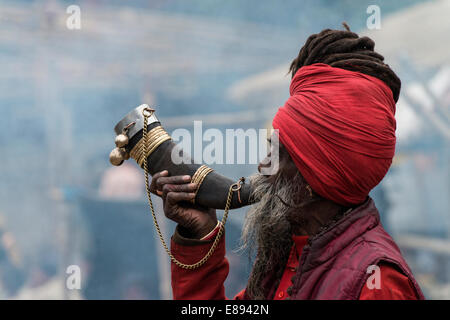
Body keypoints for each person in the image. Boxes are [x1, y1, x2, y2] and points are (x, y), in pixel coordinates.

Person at [150, 24, 424, 300]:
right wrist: (199, 235)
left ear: (316, 175)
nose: (262, 167)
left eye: (277, 153)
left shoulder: (377, 283)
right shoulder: (287, 257)